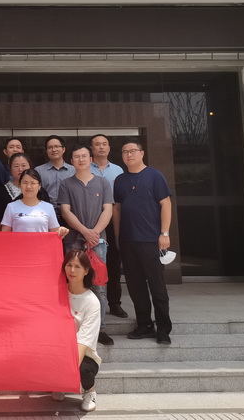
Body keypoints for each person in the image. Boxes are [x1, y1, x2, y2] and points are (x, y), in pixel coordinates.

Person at [113, 138, 173, 345]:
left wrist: (164, 233)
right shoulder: (120, 180)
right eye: (124, 151)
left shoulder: (155, 176)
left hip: (150, 240)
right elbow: (117, 209)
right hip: (128, 240)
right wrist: (118, 236)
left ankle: (163, 328)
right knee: (135, 286)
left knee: (157, 286)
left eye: (132, 151)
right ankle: (144, 324)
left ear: (142, 153)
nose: (128, 155)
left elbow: (166, 204)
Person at [58, 144, 115, 346]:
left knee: (99, 285)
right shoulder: (66, 184)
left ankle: (100, 329)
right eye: (76, 157)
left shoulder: (102, 182)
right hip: (74, 241)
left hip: (98, 243)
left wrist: (95, 233)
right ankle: (72, 327)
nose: (81, 160)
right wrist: (85, 231)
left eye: (84, 156)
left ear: (91, 159)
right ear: (71, 161)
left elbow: (108, 210)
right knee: (73, 283)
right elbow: (66, 211)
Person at [51, 250, 102, 413]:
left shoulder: (92, 302)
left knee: (83, 370)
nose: (72, 270)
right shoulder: (57, 292)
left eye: (78, 267)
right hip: (58, 348)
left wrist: (67, 370)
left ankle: (90, 391)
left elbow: (83, 340)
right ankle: (59, 384)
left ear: (86, 271)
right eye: (69, 265)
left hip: (83, 353)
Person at [89, 133, 127, 319]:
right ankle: (92, 304)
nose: (101, 147)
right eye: (97, 144)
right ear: (92, 148)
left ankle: (114, 303)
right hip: (91, 223)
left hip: (113, 223)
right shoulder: (84, 167)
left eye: (104, 144)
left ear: (109, 148)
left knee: (113, 264)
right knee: (92, 264)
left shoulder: (118, 170)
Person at [0, 169, 68, 237]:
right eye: (25, 183)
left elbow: (55, 233)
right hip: (18, 244)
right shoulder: (11, 207)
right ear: (20, 185)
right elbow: (5, 235)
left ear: (39, 186)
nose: (28, 186)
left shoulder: (48, 207)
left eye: (33, 183)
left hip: (42, 244)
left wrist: (61, 231)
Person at [0, 153, 49, 231]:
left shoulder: (41, 191)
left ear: (30, 167)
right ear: (10, 169)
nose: (20, 169)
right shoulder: (2, 192)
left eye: (24, 165)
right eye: (16, 166)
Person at [35, 135, 73, 225]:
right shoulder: (39, 171)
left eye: (56, 146)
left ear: (63, 149)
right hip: (46, 216)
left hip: (71, 215)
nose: (54, 150)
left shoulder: (73, 170)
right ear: (46, 151)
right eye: (50, 147)